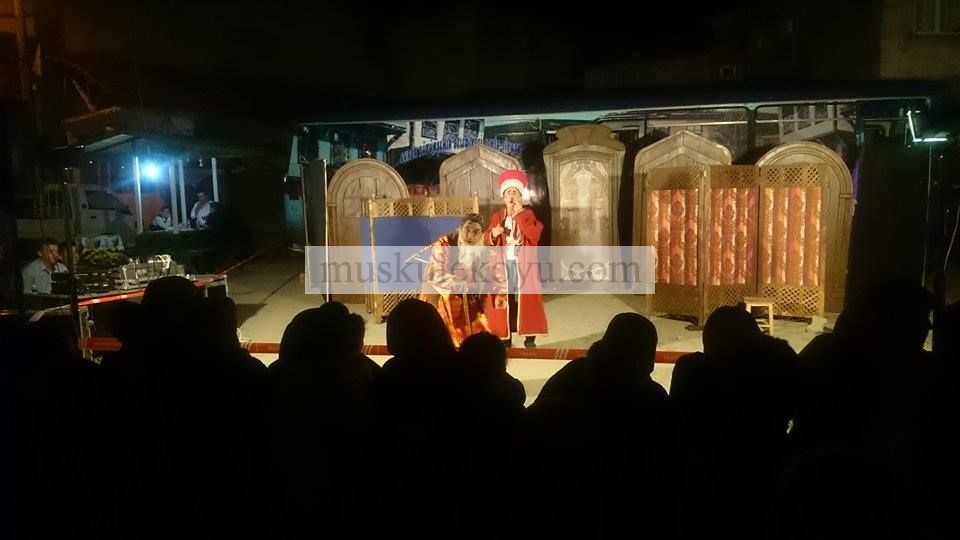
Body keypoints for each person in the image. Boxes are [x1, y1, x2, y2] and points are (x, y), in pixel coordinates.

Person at [420, 213, 507, 347]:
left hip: (470, 299)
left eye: (476, 231)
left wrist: (500, 294)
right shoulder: (444, 244)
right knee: (447, 338)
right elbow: (436, 275)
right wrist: (462, 285)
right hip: (441, 297)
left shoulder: (484, 248)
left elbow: (496, 272)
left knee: (478, 336)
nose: (470, 235)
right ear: (460, 228)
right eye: (467, 229)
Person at [484, 169, 547, 348]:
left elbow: (534, 235)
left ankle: (529, 337)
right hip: (503, 265)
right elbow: (486, 238)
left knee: (527, 299)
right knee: (504, 299)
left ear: (521, 196)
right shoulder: (497, 216)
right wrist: (493, 234)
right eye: (508, 192)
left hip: (523, 263)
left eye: (515, 192)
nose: (511, 196)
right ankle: (505, 337)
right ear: (503, 197)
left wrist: (519, 214)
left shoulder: (528, 215)